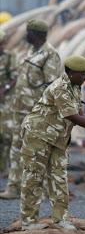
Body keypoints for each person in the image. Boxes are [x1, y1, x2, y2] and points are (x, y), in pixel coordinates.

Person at [19, 55, 85, 231]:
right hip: (38, 135)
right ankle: (28, 222)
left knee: (59, 177)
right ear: (70, 72)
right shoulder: (60, 87)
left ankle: (60, 219)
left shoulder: (75, 86)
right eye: (82, 74)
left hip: (58, 138)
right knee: (33, 177)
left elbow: (80, 113)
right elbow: (72, 117)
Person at [0, 19, 61, 199]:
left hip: (36, 112)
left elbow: (51, 86)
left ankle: (37, 190)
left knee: (36, 151)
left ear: (36, 34)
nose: (26, 35)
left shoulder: (50, 55)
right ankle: (13, 187)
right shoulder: (31, 52)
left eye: (28, 32)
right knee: (16, 147)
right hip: (19, 110)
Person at [0, 29, 17, 174]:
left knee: (6, 135)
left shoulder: (10, 57)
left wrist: (4, 89)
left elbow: (14, 77)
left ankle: (4, 167)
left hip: (5, 100)